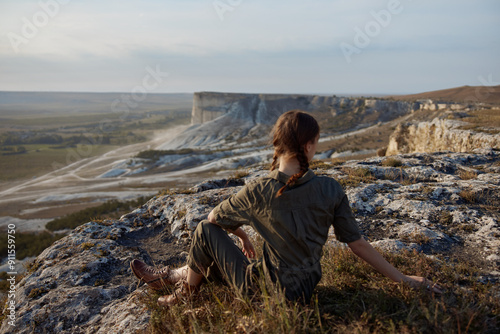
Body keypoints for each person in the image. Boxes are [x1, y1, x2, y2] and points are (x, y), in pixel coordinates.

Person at [130, 110, 442, 306]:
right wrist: (403, 279)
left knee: (204, 232)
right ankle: (171, 276)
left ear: (277, 144)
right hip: (304, 291)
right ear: (309, 145)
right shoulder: (331, 188)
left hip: (264, 294)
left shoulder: (259, 190)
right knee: (229, 261)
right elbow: (358, 244)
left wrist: (242, 234)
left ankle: (186, 293)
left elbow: (212, 220)